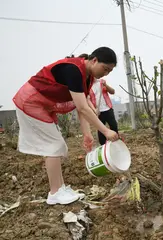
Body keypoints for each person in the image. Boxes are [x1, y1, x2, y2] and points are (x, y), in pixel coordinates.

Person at [13, 47, 120, 205]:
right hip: (32, 102)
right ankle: (55, 193)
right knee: (54, 145)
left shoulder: (87, 77)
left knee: (57, 146)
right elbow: (83, 107)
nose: (105, 74)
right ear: (94, 60)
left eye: (109, 72)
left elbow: (81, 108)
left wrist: (87, 134)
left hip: (43, 105)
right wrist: (105, 130)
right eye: (105, 69)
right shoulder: (74, 70)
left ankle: (60, 188)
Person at [88, 73, 118, 145]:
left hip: (108, 108)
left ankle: (116, 142)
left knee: (114, 125)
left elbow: (112, 91)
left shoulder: (101, 83)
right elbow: (88, 99)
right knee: (101, 129)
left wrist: (106, 85)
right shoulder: (88, 86)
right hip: (98, 111)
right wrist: (94, 109)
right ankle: (103, 146)